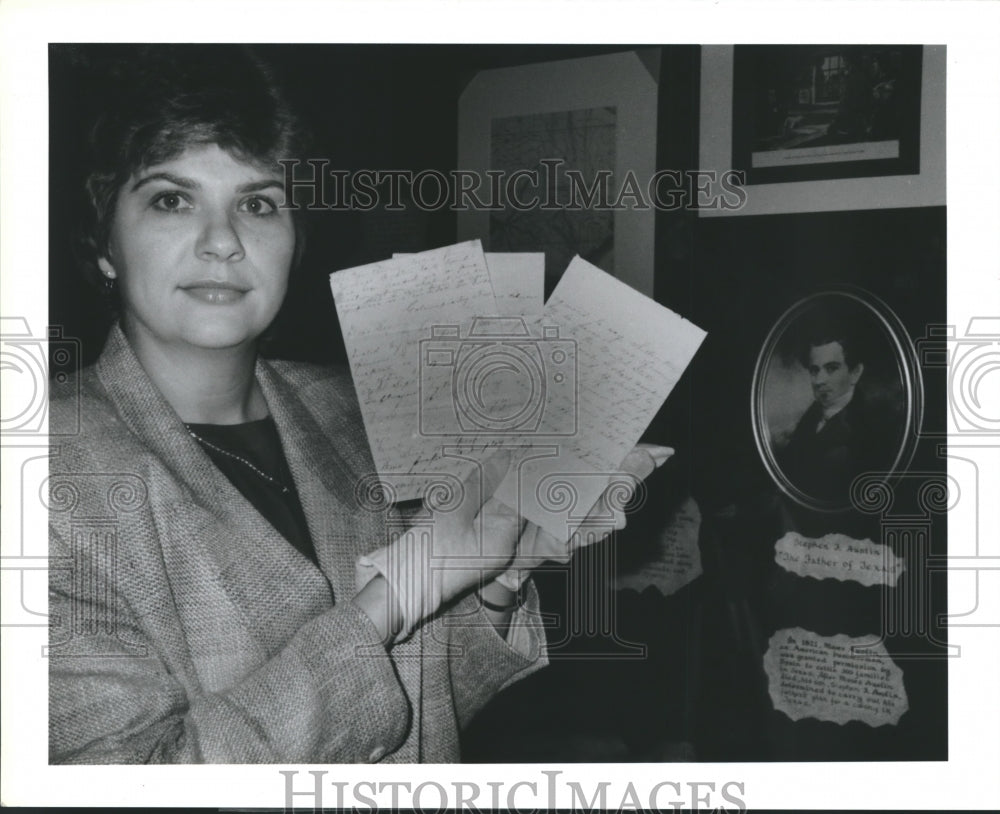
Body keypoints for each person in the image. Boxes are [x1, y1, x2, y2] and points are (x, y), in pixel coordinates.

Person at [47, 46, 668, 764]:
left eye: (258, 203)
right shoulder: (43, 470)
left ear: (295, 240)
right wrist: (396, 595)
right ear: (102, 244)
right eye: (170, 199)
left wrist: (498, 575)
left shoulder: (350, 408)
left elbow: (418, 709)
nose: (222, 243)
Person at [779, 330, 894, 505]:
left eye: (831, 368)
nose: (819, 381)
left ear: (855, 372)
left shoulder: (870, 428)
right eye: (814, 370)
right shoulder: (811, 417)